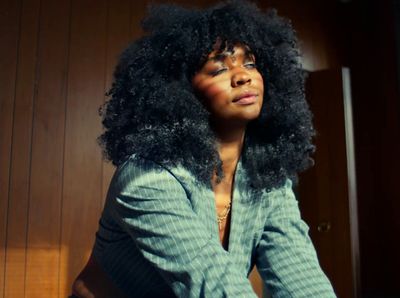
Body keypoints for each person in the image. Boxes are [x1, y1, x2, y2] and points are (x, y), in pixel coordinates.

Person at [71, 0, 337, 297]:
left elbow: (300, 278)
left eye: (250, 63)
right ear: (181, 91)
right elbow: (215, 285)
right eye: (218, 69)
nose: (243, 75)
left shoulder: (266, 181)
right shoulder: (146, 178)